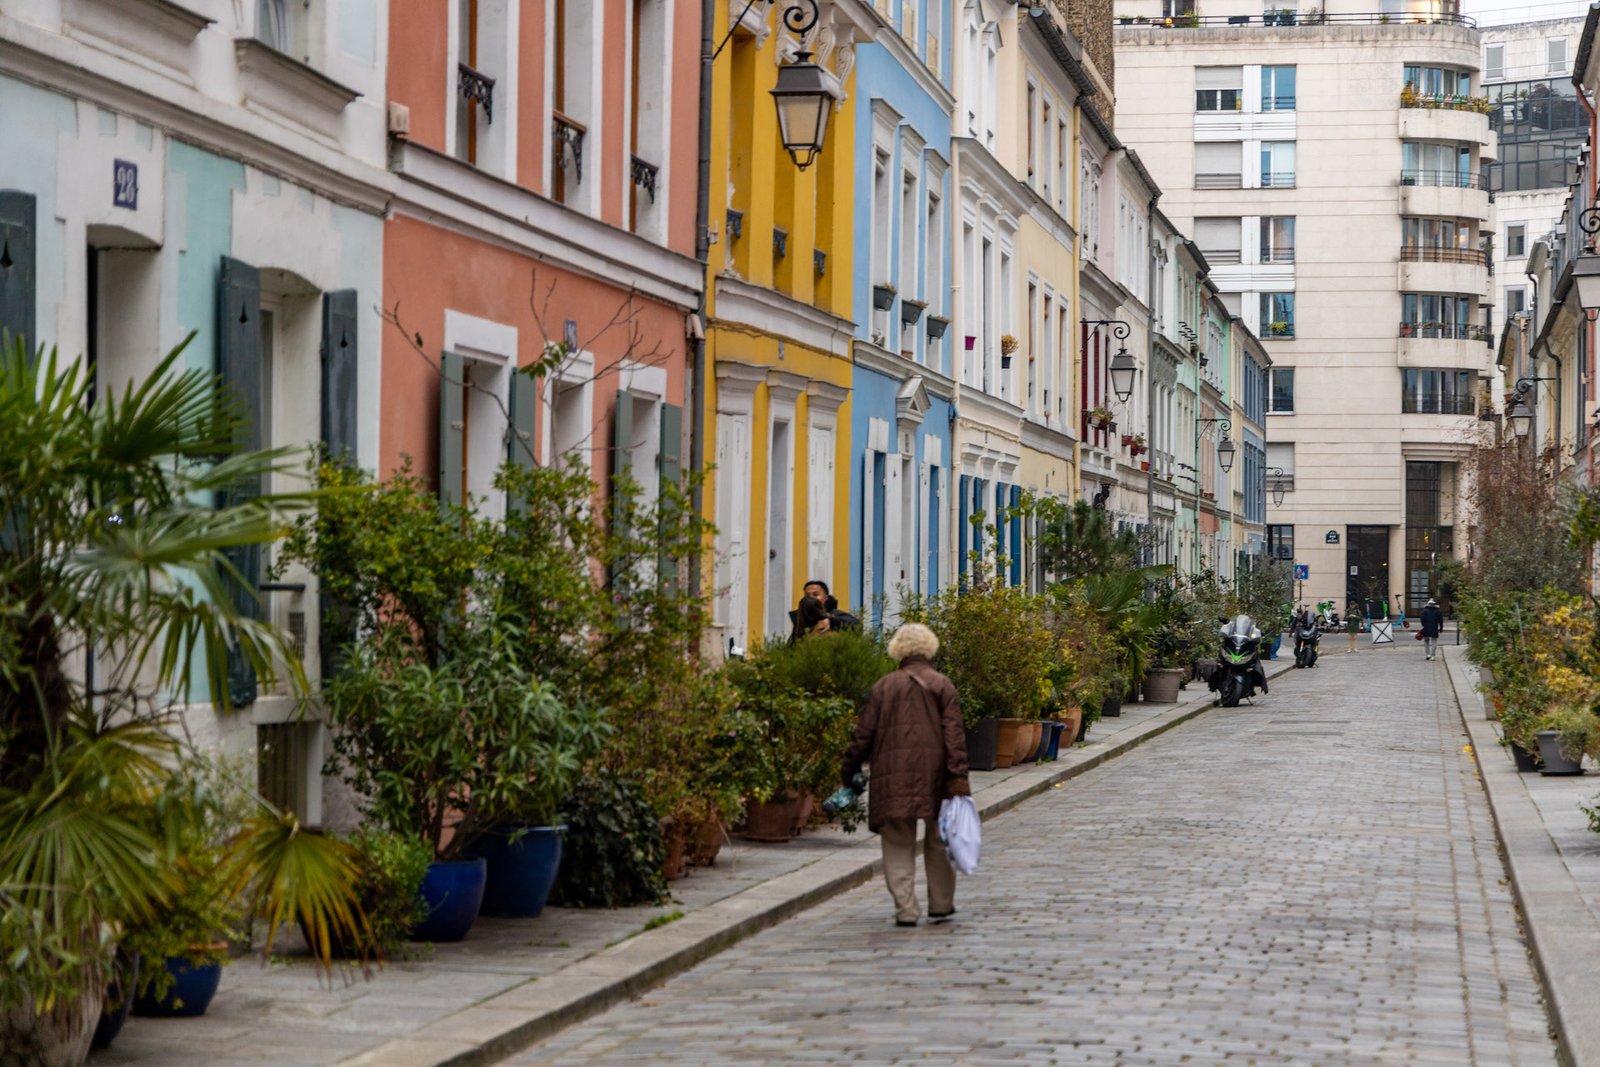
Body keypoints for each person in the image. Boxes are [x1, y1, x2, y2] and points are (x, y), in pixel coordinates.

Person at [841, 622, 971, 928]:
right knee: (939, 840)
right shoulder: (942, 684)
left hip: (892, 775)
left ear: (897, 649)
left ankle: (906, 908)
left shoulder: (884, 686)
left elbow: (863, 735)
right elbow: (954, 736)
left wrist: (849, 769)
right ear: (930, 648)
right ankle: (940, 904)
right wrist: (959, 778)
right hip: (936, 775)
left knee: (898, 841)